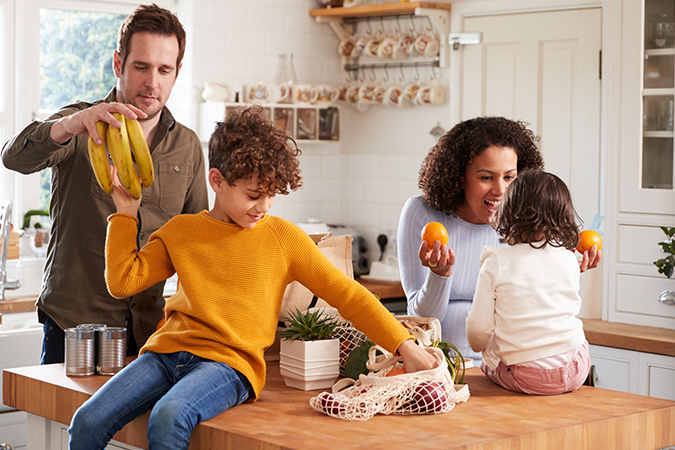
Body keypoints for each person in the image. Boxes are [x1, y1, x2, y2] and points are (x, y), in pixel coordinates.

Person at [68, 107, 437, 449]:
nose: (263, 207)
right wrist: (125, 213)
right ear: (217, 180)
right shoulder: (182, 231)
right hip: (165, 353)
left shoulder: (284, 238)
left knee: (170, 416)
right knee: (86, 421)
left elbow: (350, 296)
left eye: (272, 195)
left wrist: (405, 347)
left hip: (230, 365)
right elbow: (123, 281)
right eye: (253, 195)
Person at [1, 4, 208, 364]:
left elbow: (200, 242)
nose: (153, 82)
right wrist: (73, 124)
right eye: (141, 66)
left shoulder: (187, 145)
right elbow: (14, 158)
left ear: (177, 73)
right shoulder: (81, 125)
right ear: (118, 64)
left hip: (148, 332)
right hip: (73, 326)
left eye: (164, 69)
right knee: (64, 422)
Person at [397, 117, 601, 362]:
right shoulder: (423, 213)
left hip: (512, 367)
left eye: (509, 177)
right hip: (441, 365)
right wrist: (439, 275)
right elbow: (420, 320)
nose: (500, 190)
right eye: (486, 177)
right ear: (458, 176)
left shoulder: (526, 220)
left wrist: (564, 260)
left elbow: (537, 304)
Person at [465, 170, 590, 395]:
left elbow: (478, 331)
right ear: (563, 216)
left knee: (489, 362)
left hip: (528, 375)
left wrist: (482, 349)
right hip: (577, 367)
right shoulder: (569, 257)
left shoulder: (496, 263)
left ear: (509, 213)